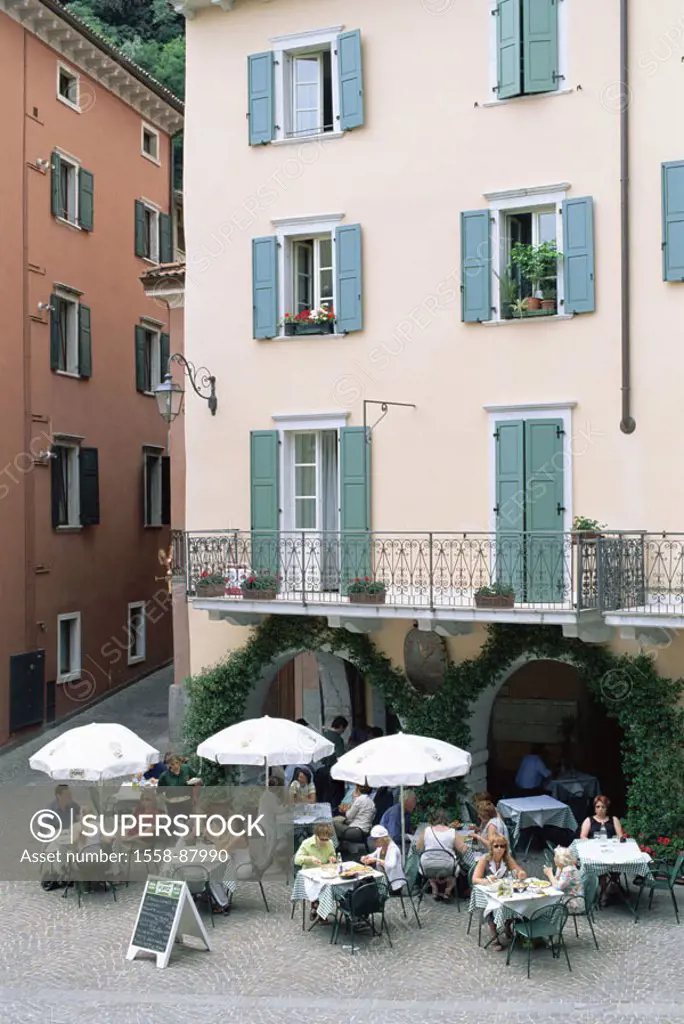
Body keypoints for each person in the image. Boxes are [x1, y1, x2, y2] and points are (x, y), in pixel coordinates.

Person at [472, 836, 526, 951]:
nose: (499, 849)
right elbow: (475, 879)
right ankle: (494, 934)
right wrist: (486, 880)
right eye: (496, 846)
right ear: (491, 847)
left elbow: (518, 870)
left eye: (502, 846)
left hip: (503, 890)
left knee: (516, 902)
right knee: (490, 905)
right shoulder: (484, 859)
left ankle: (507, 925)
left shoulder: (507, 859)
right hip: (488, 891)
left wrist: (521, 874)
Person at [580, 794, 624, 905]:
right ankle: (604, 891)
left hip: (612, 850)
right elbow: (583, 836)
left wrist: (617, 840)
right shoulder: (589, 820)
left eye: (603, 807)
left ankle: (612, 883)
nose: (600, 809)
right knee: (601, 868)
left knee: (620, 862)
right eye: (598, 806)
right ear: (594, 808)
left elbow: (620, 835)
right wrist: (592, 843)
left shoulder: (613, 820)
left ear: (607, 808)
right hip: (595, 851)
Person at [416, 809, 469, 901]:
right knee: (454, 870)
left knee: (431, 867)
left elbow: (418, 848)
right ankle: (448, 890)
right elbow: (464, 850)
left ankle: (434, 887)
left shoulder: (427, 830)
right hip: (447, 867)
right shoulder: (452, 832)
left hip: (427, 866)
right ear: (446, 819)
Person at [294, 823, 337, 921]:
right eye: (322, 839)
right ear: (316, 836)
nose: (324, 842)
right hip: (309, 874)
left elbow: (332, 854)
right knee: (319, 886)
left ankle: (319, 908)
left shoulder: (329, 843)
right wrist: (310, 859)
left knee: (330, 886)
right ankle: (318, 908)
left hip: (324, 873)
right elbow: (297, 859)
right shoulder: (307, 843)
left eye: (327, 839)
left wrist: (332, 858)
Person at [362, 825, 405, 893]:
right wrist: (366, 857)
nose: (373, 842)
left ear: (382, 839)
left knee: (367, 889)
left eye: (375, 840)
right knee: (365, 885)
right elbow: (373, 855)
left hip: (393, 884)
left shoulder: (393, 848)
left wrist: (376, 860)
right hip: (385, 880)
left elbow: (391, 865)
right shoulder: (381, 847)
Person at [543, 846, 584, 913]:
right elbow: (557, 881)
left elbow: (558, 887)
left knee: (545, 903)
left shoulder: (568, 871)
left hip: (573, 903)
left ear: (561, 859)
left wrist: (550, 875)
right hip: (566, 896)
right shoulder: (561, 867)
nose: (554, 859)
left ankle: (549, 921)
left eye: (556, 857)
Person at [157, 754, 197, 821]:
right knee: (174, 825)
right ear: (169, 765)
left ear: (180, 762)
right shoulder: (164, 776)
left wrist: (192, 784)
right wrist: (168, 800)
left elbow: (196, 779)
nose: (175, 766)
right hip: (172, 806)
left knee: (188, 823)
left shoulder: (186, 769)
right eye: (172, 764)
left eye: (177, 763)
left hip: (187, 804)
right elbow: (159, 792)